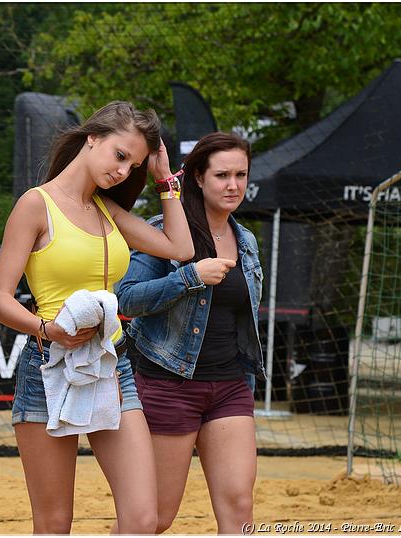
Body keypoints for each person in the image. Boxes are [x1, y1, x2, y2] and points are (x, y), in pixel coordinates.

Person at [0, 101, 194, 534]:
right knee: (55, 522)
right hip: (47, 365)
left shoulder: (109, 210)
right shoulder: (36, 204)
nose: (123, 171)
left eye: (132, 164)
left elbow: (181, 249)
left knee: (143, 517)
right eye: (120, 155)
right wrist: (49, 330)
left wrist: (164, 179)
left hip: (111, 364)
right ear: (92, 138)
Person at [116, 132, 264, 534]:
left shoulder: (246, 241)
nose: (233, 185)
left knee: (239, 508)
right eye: (222, 175)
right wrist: (189, 277)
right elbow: (124, 299)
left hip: (231, 385)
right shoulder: (165, 230)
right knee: (153, 518)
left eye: (241, 174)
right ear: (198, 178)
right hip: (168, 384)